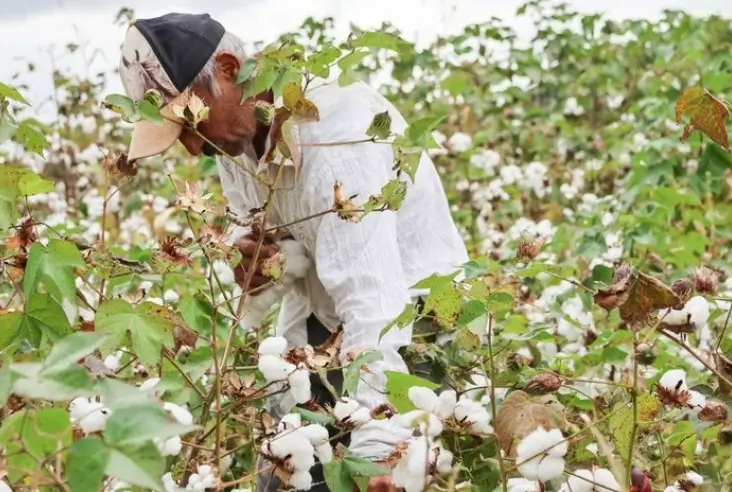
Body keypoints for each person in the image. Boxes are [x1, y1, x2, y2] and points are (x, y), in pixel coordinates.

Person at [117, 12, 469, 492]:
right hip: (324, 313)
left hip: (414, 322)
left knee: (373, 472)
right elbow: (268, 245)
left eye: (189, 123)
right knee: (281, 475)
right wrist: (258, 267)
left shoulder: (337, 141)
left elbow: (376, 304)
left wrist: (381, 445)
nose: (192, 152)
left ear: (227, 70)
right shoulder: (233, 140)